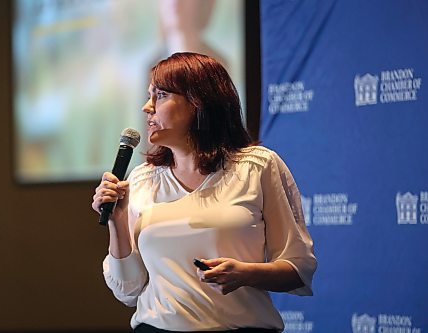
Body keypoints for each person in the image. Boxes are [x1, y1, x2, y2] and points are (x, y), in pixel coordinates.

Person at [92, 52, 317, 333]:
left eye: (160, 95)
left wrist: (246, 274)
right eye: (149, 95)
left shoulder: (257, 166)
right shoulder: (142, 179)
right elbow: (129, 291)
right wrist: (116, 221)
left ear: (198, 103)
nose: (146, 107)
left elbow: (298, 269)